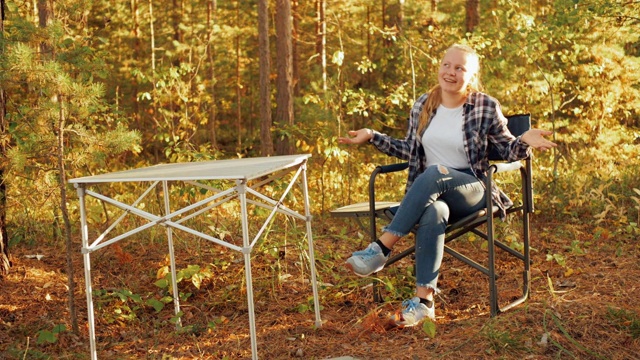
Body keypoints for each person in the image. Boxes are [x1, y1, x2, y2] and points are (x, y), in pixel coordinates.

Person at [338, 44, 556, 328]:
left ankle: (382, 248)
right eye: (446, 65)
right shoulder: (423, 104)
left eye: (459, 68)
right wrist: (372, 135)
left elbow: (504, 149)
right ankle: (424, 303)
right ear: (439, 67)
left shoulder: (485, 106)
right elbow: (410, 149)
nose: (450, 73)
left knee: (434, 173)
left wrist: (524, 139)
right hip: (433, 193)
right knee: (434, 211)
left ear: (471, 75)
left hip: (474, 187)